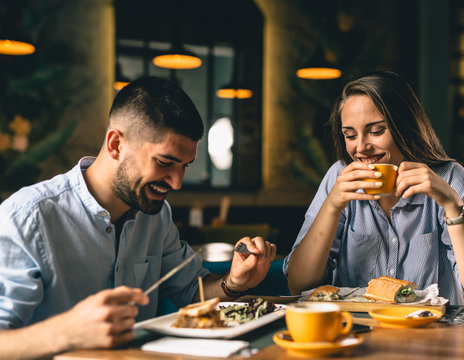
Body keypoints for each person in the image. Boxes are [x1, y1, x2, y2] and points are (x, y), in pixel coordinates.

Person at [0, 76, 276, 359]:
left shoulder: (155, 215)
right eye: (164, 162)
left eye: (185, 166)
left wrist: (234, 283)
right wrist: (68, 332)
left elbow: (194, 293)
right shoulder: (27, 218)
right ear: (116, 144)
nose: (177, 183)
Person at [283, 70, 464, 308]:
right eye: (349, 135)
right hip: (356, 333)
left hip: (434, 334)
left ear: (405, 127)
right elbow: (298, 285)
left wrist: (452, 205)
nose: (361, 147)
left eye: (377, 131)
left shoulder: (449, 177)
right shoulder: (338, 177)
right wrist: (332, 205)